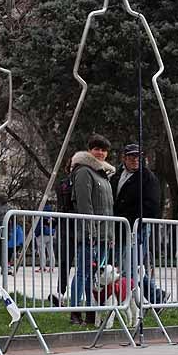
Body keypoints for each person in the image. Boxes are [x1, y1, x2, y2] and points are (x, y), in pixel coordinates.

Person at [69, 134, 115, 325]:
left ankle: (90, 310)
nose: (101, 153)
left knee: (93, 275)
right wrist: (90, 232)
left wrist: (110, 233)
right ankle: (75, 311)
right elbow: (84, 204)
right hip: (89, 234)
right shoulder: (84, 172)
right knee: (82, 273)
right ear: (89, 150)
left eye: (104, 150)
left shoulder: (103, 174)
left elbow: (108, 206)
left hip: (104, 234)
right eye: (97, 149)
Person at [111, 143, 165, 305]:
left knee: (131, 266)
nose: (135, 160)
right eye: (131, 157)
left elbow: (152, 205)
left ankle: (150, 298)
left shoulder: (147, 177)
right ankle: (152, 296)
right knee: (127, 266)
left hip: (136, 228)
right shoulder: (117, 175)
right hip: (119, 227)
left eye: (138, 157)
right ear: (124, 158)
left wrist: (137, 223)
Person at [37, 203, 56, 272]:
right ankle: (52, 267)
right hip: (50, 234)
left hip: (42, 234)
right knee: (50, 250)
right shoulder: (51, 212)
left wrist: (36, 233)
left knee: (41, 251)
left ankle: (42, 267)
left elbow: (38, 224)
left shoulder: (41, 211)